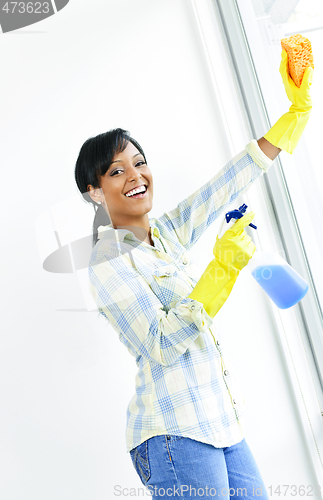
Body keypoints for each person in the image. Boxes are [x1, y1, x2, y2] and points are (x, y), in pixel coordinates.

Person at [74, 51, 313, 499]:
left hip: (221, 423)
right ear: (94, 193)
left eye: (139, 162)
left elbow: (224, 185)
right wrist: (221, 269)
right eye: (116, 171)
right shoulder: (107, 262)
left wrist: (294, 116)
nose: (135, 175)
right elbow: (162, 343)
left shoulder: (165, 235)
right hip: (172, 433)